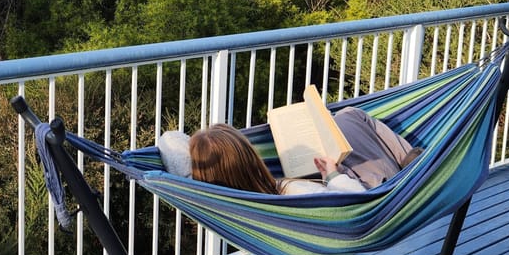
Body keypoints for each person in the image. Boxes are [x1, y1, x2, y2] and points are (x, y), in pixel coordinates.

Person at [159, 107, 422, 195]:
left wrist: (201, 148)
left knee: (343, 121)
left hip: (325, 182)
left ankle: (405, 157)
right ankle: (410, 161)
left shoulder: (202, 187)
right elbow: (354, 202)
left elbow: (169, 140)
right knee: (348, 116)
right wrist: (333, 175)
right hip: (373, 189)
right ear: (249, 158)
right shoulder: (288, 190)